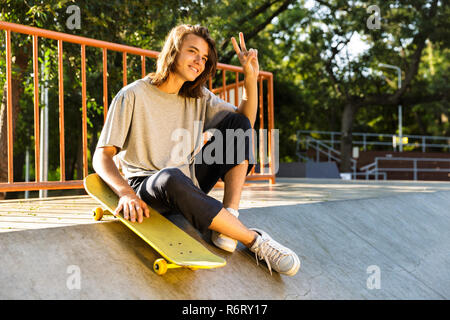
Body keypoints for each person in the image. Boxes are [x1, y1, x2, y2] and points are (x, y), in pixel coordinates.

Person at [92, 24, 300, 276]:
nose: (198, 62)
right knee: (170, 177)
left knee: (237, 124)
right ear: (173, 51)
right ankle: (254, 240)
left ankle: (228, 219)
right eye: (192, 52)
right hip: (148, 187)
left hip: (188, 182)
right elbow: (101, 156)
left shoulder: (198, 96)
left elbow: (245, 123)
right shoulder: (132, 95)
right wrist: (126, 193)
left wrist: (250, 78)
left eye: (203, 58)